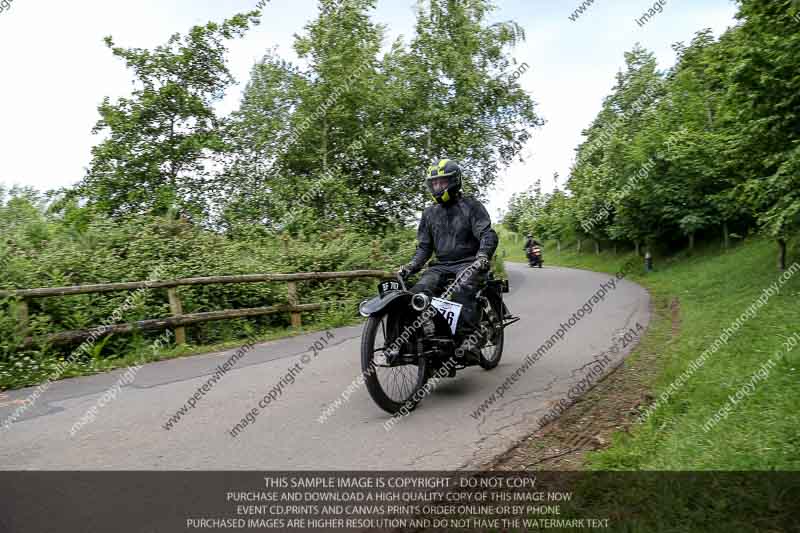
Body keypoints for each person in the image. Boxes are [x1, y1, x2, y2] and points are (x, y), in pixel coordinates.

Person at [397, 159, 499, 362]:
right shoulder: (429, 213)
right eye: (434, 183)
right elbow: (424, 248)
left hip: (469, 262)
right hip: (441, 266)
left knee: (463, 286)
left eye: (441, 182)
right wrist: (411, 266)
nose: (437, 187)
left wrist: (482, 256)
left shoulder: (471, 205)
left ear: (454, 181)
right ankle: (430, 337)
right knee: (417, 293)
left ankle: (468, 340)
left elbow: (487, 234)